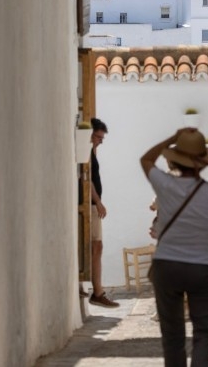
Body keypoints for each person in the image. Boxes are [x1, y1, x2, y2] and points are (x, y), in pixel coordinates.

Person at [141, 128, 208, 367]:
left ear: (173, 159)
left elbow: (146, 159)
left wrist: (172, 138)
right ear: (203, 162)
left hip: (168, 265)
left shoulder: (163, 184)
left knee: (172, 335)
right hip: (205, 268)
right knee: (204, 333)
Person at [87, 117, 120, 309]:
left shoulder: (92, 151)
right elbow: (87, 177)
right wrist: (98, 202)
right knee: (96, 246)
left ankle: (97, 291)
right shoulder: (86, 153)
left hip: (92, 204)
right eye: (98, 137)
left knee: (96, 246)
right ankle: (98, 293)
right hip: (91, 204)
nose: (101, 140)